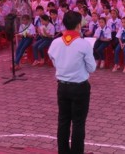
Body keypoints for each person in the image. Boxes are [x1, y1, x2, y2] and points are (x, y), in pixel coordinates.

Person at [48, 10, 96, 154]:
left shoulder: (55, 42)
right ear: (78, 25)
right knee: (78, 123)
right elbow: (92, 67)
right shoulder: (83, 44)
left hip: (62, 86)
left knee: (63, 121)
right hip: (79, 87)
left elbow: (54, 61)